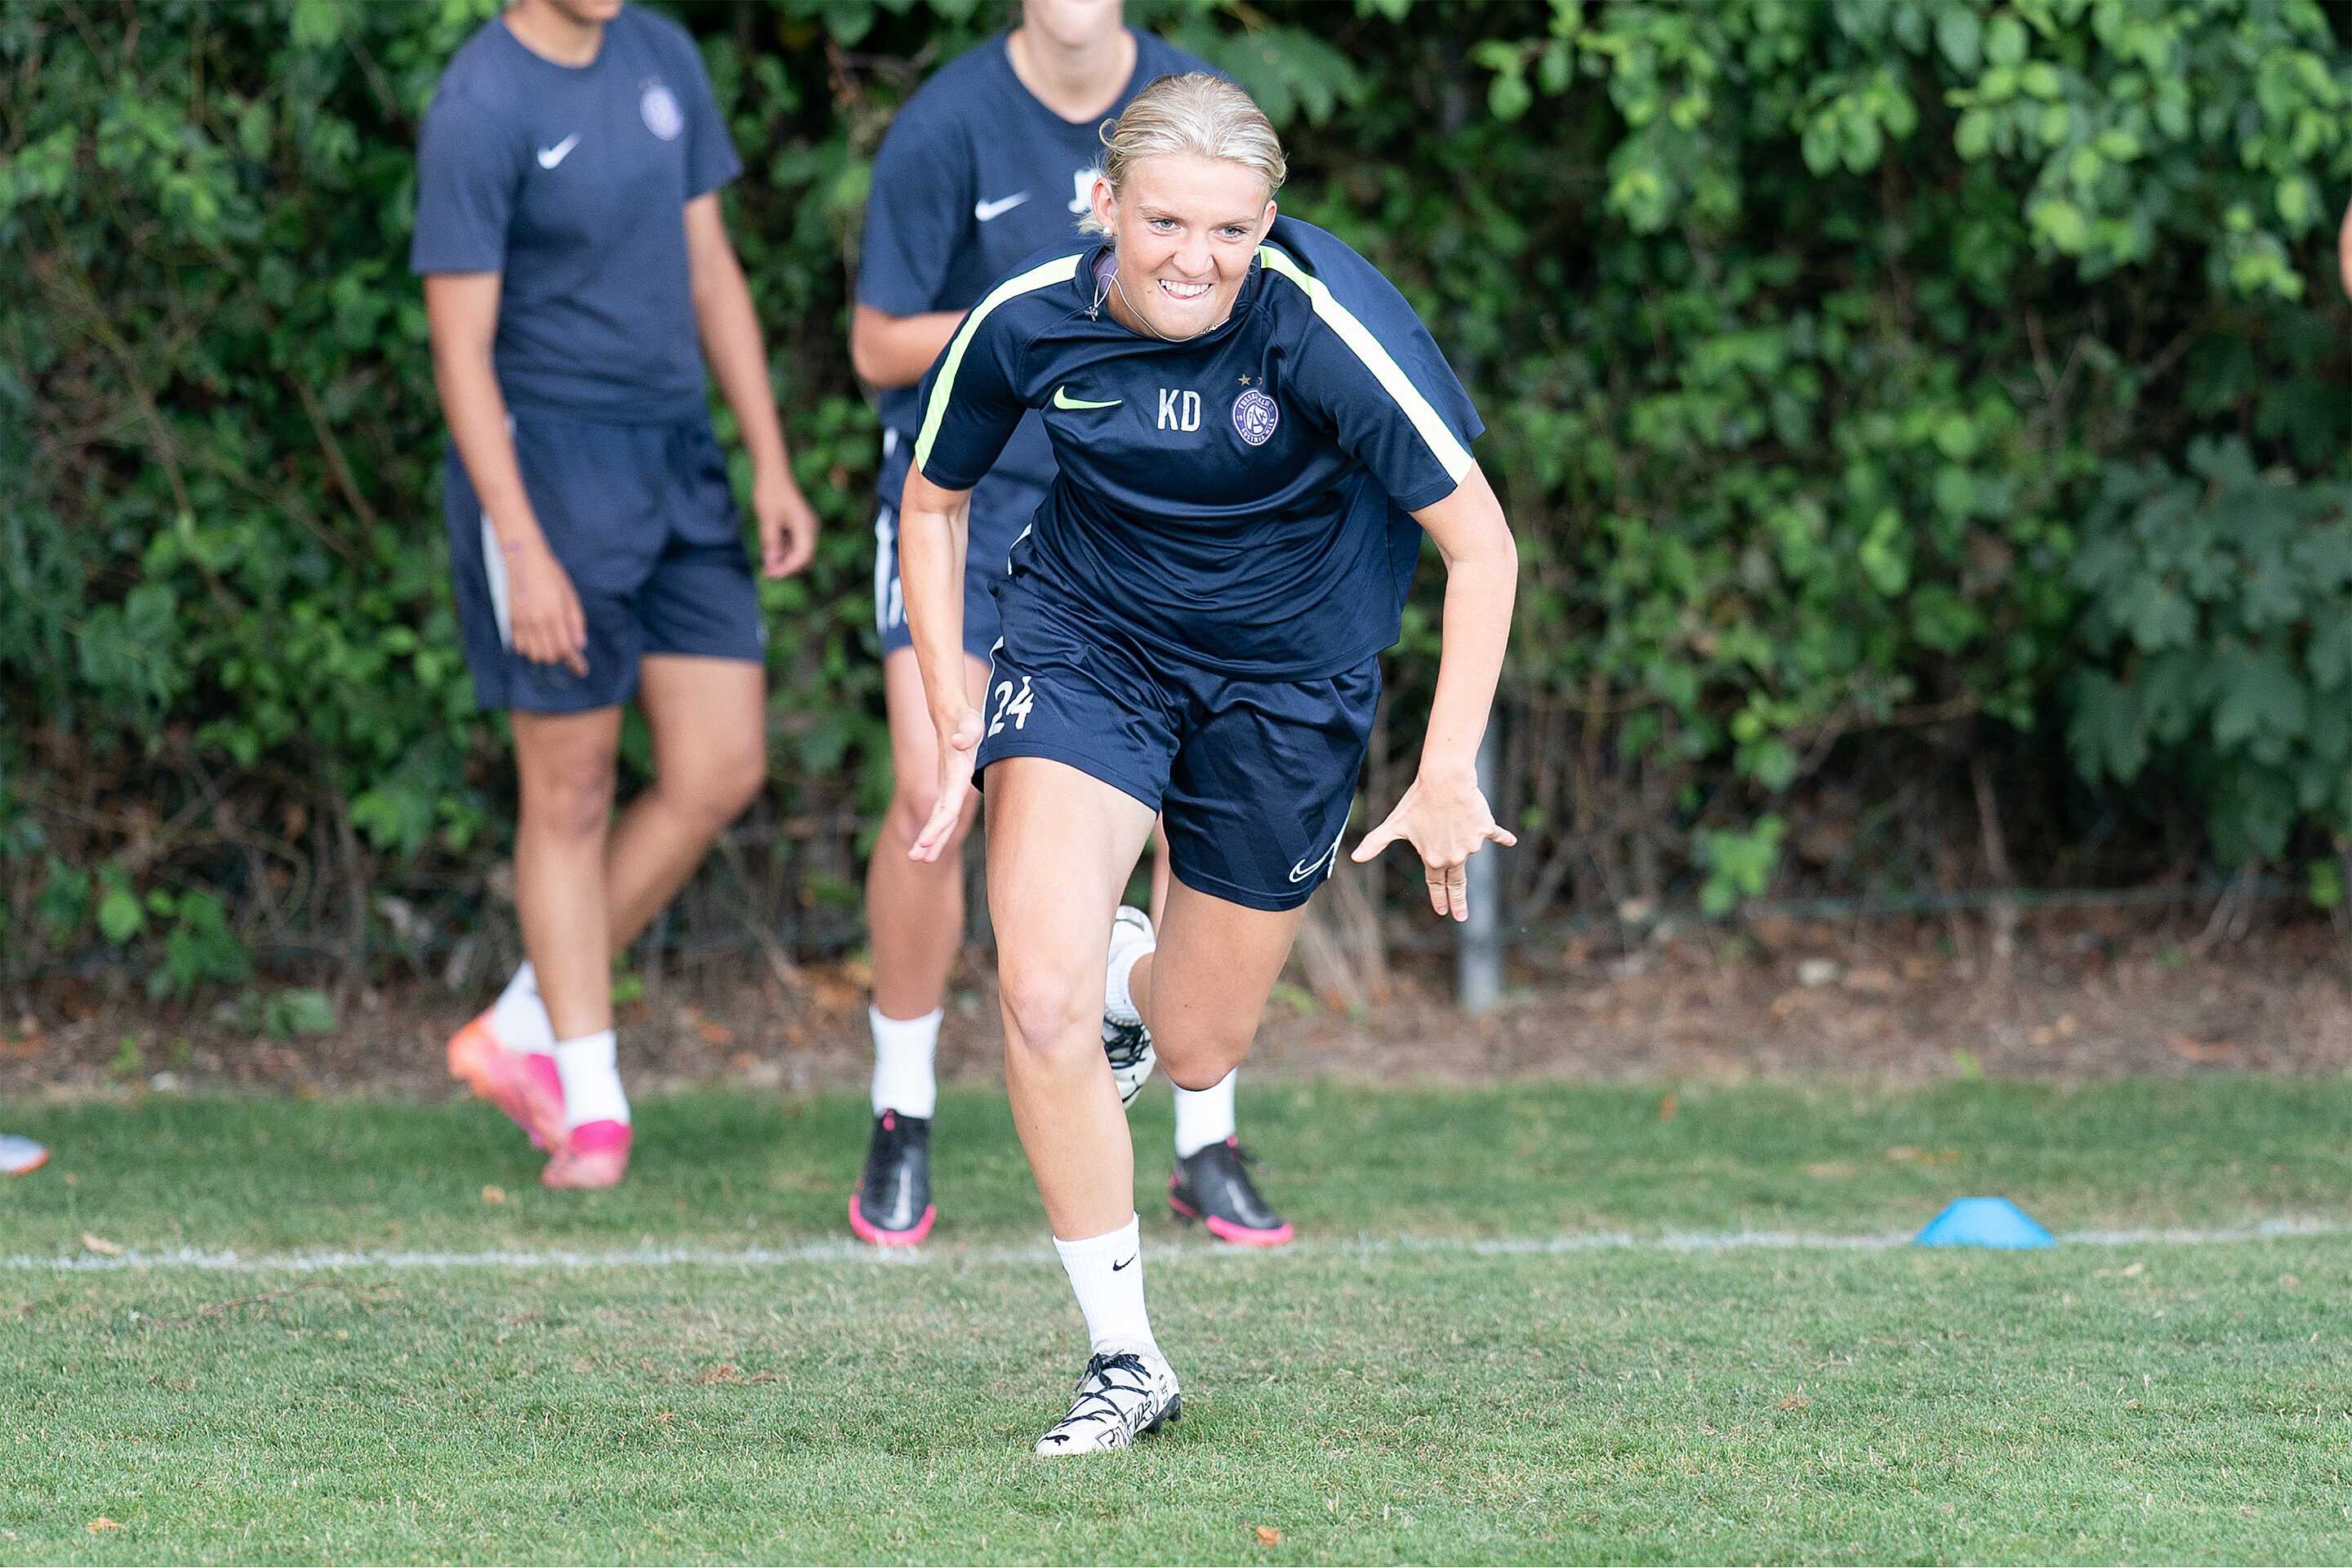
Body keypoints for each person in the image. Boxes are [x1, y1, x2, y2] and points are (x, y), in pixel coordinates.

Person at [898, 74, 1517, 1452]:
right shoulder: (1028, 323)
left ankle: (1140, 983)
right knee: (1037, 994)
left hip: (1288, 686)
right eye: (1167, 222)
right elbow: (932, 503)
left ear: (1269, 224)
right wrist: (952, 693)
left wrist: (1447, 768)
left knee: (1194, 1045)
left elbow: (1485, 549)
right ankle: (1126, 1360)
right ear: (1104, 206)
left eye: (1233, 231)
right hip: (1091, 642)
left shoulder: (1318, 331)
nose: (1197, 259)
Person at [849, 0, 1287, 1248]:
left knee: (1181, 801)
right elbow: (879, 341)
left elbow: (1253, 303)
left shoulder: (1191, 123)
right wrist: (1052, 322)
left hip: (1136, 520)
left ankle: (1206, 1135)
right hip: (972, 506)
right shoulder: (947, 124)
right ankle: (902, 1111)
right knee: (937, 790)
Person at [412, 0, 818, 1188]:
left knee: (721, 766)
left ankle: (525, 1021)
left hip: (680, 458)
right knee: (573, 787)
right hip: (548, 471)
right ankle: (590, 1101)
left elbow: (709, 268)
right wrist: (522, 545)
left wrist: (771, 457)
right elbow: (459, 352)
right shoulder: (479, 107)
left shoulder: (662, 52)